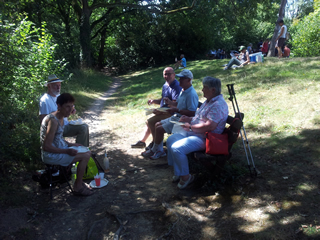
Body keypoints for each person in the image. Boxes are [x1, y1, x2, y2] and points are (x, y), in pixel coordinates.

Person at [166, 77, 228, 189]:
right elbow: (200, 118)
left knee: (177, 148)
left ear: (213, 90)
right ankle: (178, 172)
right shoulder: (209, 101)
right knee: (171, 140)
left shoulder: (218, 105)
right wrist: (188, 119)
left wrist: (190, 127)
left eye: (205, 87)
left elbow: (209, 126)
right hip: (196, 133)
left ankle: (186, 177)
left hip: (207, 138)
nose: (202, 90)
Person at [40, 93, 93, 196]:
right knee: (86, 155)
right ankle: (77, 186)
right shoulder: (53, 121)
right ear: (59, 106)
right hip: (50, 155)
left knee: (86, 150)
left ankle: (79, 182)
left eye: (72, 106)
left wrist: (70, 144)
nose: (70, 109)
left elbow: (58, 139)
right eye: (67, 106)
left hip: (59, 149)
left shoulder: (61, 117)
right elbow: (46, 147)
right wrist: (66, 151)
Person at [141, 69, 199, 160]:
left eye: (181, 79)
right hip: (177, 116)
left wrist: (177, 110)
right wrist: (171, 103)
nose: (179, 80)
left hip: (183, 121)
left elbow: (192, 112)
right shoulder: (183, 90)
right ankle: (158, 149)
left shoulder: (191, 94)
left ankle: (156, 149)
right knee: (157, 124)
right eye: (179, 78)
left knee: (159, 128)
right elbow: (179, 103)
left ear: (188, 80)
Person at [131, 67, 182, 149]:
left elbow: (174, 104)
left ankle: (155, 144)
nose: (167, 76)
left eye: (169, 74)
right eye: (165, 74)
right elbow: (163, 99)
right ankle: (143, 142)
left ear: (174, 75)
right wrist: (154, 101)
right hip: (164, 111)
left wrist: (161, 112)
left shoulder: (176, 86)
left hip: (171, 113)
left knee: (151, 122)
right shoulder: (165, 85)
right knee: (150, 122)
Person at [39, 74, 89, 147]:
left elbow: (67, 108)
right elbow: (43, 120)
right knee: (83, 128)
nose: (58, 87)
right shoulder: (44, 100)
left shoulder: (59, 96)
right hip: (56, 128)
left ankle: (82, 149)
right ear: (49, 86)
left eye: (59, 85)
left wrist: (71, 110)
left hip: (65, 124)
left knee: (84, 126)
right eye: (56, 85)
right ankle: (81, 152)